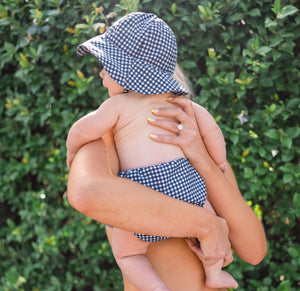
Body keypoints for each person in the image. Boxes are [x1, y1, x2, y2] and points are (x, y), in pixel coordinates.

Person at [67, 12, 267, 291]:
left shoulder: (191, 139)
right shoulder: (105, 138)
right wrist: (206, 225)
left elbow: (254, 251)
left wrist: (202, 159)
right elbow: (86, 193)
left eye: (107, 65)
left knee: (129, 254)